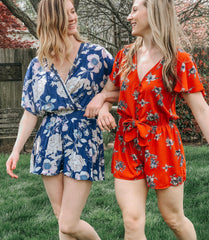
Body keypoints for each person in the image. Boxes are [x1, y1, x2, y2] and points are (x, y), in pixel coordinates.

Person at [84, 0, 209, 239]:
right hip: (128, 143)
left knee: (173, 218)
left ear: (154, 12)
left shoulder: (178, 61)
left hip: (163, 144)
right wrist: (103, 107)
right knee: (131, 221)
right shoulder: (124, 56)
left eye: (134, 10)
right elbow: (112, 93)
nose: (129, 16)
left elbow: (201, 110)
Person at [6, 0, 114, 239]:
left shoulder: (97, 55)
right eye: (67, 15)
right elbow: (31, 111)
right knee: (60, 216)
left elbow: (124, 89)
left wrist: (103, 99)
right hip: (49, 141)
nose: (73, 18)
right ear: (52, 21)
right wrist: (16, 150)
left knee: (68, 222)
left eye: (73, 11)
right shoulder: (38, 65)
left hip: (83, 137)